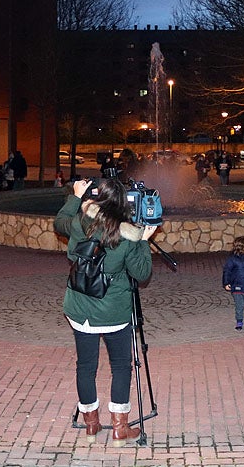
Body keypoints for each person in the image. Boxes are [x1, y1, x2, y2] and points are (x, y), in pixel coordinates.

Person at [56, 178, 155, 446]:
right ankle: (120, 429)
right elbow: (142, 273)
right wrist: (142, 239)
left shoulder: (79, 222)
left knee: (85, 367)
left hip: (79, 309)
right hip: (113, 313)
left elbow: (59, 221)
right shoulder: (127, 235)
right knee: (121, 367)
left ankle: (91, 424)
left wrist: (76, 197)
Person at [222, 235, 244, 331]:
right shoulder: (233, 259)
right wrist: (226, 283)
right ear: (242, 246)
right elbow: (227, 271)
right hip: (236, 285)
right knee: (239, 305)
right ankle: (239, 320)